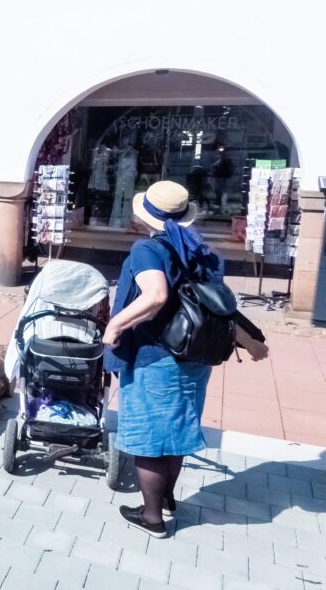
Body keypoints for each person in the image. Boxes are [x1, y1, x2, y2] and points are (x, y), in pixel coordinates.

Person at [102, 181, 269, 539]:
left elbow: (155, 296)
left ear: (145, 214)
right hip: (195, 357)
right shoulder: (202, 253)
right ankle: (165, 500)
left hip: (154, 359)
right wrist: (251, 343)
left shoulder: (148, 249)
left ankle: (152, 517)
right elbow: (217, 307)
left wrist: (114, 327)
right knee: (174, 434)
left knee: (150, 441)